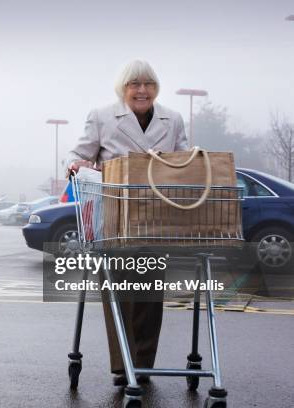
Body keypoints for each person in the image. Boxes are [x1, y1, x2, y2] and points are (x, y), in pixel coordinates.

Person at [67, 59, 188, 386]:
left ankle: (143, 364)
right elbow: (77, 155)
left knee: (150, 292)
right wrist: (77, 166)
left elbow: (184, 160)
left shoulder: (172, 119)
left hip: (156, 216)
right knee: (120, 289)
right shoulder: (102, 116)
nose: (142, 90)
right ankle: (124, 365)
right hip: (115, 215)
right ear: (124, 88)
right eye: (135, 84)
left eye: (148, 84)